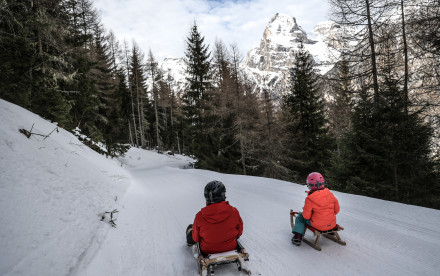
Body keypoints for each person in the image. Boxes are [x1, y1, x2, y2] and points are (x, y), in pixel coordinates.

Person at [186, 180, 243, 254]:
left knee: (191, 228)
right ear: (223, 195)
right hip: (231, 247)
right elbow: (239, 232)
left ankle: (189, 241)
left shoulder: (199, 215)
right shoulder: (234, 211)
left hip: (208, 249)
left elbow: (196, 239)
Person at [292, 172, 340, 246]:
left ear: (310, 185)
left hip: (318, 225)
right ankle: (330, 231)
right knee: (326, 216)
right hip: (332, 224)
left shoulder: (310, 199)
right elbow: (336, 210)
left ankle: (297, 236)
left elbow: (306, 217)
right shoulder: (331, 195)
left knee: (300, 217)